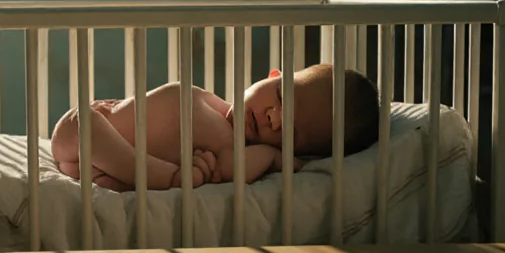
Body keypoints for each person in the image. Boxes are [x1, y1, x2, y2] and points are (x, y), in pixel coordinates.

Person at [50, 64, 380, 192]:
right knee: (85, 120)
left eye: (289, 131)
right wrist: (119, 107)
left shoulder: (233, 148)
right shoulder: (214, 104)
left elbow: (231, 168)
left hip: (96, 165)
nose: (273, 119)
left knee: (92, 140)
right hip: (85, 132)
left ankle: (159, 178)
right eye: (281, 97)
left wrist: (271, 157)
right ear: (274, 76)